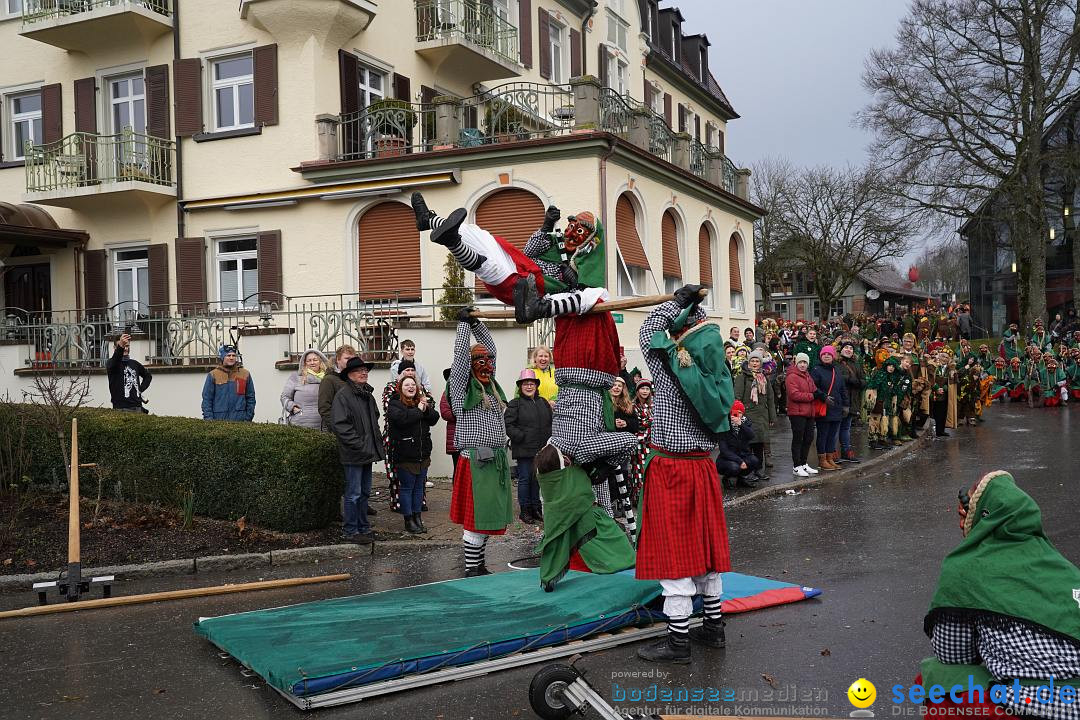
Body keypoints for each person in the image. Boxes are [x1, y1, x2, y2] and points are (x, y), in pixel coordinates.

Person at [921, 471, 1080, 720]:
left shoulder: (965, 568)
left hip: (1049, 705)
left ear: (984, 518)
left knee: (938, 676)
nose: (962, 523)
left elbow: (951, 653)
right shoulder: (1058, 564)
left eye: (966, 515)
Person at [635, 285, 733, 664]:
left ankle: (678, 641)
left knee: (674, 555)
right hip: (704, 468)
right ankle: (713, 627)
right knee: (705, 551)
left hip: (673, 469)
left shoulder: (672, 367)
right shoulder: (720, 374)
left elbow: (648, 331)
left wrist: (674, 302)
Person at [447, 309, 513, 577]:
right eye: (479, 360)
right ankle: (471, 568)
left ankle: (479, 565)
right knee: (477, 518)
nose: (486, 364)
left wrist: (477, 323)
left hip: (495, 459)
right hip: (476, 461)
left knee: (489, 516)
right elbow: (461, 359)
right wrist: (463, 325)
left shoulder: (492, 386)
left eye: (488, 360)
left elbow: (492, 349)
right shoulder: (461, 386)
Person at [329, 356, 384, 544]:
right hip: (354, 454)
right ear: (350, 375)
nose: (364, 373)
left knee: (365, 493)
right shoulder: (343, 395)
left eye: (365, 370)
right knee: (353, 494)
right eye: (360, 371)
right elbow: (340, 425)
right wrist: (360, 445)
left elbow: (374, 420)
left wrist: (372, 445)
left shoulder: (367, 395)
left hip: (366, 453)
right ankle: (351, 530)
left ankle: (363, 527)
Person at [387, 375, 440, 534]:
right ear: (400, 389)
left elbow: (434, 418)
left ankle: (418, 517)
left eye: (413, 385)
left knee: (419, 488)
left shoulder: (420, 403)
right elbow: (402, 419)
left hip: (422, 454)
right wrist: (418, 410)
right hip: (405, 454)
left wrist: (426, 408)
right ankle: (408, 519)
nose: (410, 387)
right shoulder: (395, 404)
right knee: (407, 488)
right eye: (406, 385)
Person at [504, 369, 553, 524]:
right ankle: (525, 510)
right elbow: (509, 424)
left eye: (532, 383)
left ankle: (536, 508)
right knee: (525, 479)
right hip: (524, 449)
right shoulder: (515, 404)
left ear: (536, 386)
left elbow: (551, 422)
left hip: (542, 449)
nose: (529, 386)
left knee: (537, 479)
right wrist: (521, 437)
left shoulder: (543, 402)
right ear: (521, 387)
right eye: (526, 384)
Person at [731, 350, 775, 481]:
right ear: (748, 362)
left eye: (757, 361)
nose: (755, 363)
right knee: (747, 445)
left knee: (759, 445)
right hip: (747, 416)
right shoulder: (742, 377)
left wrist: (772, 416)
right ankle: (747, 471)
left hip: (762, 416)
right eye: (752, 361)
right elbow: (737, 398)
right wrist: (737, 416)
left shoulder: (764, 377)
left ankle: (758, 470)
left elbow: (770, 399)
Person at [811, 346, 847, 472]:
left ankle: (829, 458)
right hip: (824, 407)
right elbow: (813, 387)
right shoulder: (816, 370)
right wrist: (823, 397)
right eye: (824, 354)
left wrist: (846, 405)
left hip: (836, 407)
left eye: (829, 354)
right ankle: (822, 460)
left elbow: (842, 388)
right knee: (823, 435)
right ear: (820, 356)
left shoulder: (836, 370)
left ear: (833, 356)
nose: (826, 356)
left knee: (832, 436)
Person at [785, 352, 818, 478]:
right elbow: (794, 394)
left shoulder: (807, 375)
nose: (803, 365)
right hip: (797, 413)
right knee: (798, 439)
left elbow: (814, 389)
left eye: (805, 362)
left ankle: (804, 463)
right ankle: (796, 466)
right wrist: (812, 396)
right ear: (796, 363)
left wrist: (822, 395)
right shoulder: (791, 376)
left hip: (809, 412)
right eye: (801, 362)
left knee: (808, 438)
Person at [201, 345, 255, 421]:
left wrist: (248, 418)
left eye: (233, 355)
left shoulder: (245, 374)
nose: (231, 358)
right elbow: (207, 399)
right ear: (222, 357)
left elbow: (250, 398)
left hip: (240, 422)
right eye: (228, 355)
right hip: (219, 422)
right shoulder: (213, 375)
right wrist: (209, 420)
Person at [280, 349, 329, 430]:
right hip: (299, 425)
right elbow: (284, 397)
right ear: (305, 363)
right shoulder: (296, 377)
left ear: (320, 361)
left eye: (315, 360)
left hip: (323, 426)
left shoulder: (328, 378)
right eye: (309, 361)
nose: (312, 363)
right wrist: (293, 408)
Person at [715, 401, 761, 489]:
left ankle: (741, 479)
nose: (738, 415)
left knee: (754, 461)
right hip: (726, 459)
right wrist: (740, 461)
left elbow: (752, 435)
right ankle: (726, 479)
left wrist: (741, 425)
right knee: (734, 467)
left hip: (743, 455)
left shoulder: (746, 422)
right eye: (735, 412)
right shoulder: (725, 425)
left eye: (740, 413)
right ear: (730, 412)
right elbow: (724, 451)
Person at [106, 333, 151, 413]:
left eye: (127, 346)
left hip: (138, 407)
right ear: (115, 348)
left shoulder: (134, 364)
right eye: (123, 346)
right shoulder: (111, 363)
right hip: (121, 409)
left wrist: (140, 389)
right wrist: (121, 346)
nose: (125, 349)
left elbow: (148, 376)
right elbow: (116, 360)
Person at [835, 341, 863, 462]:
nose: (848, 350)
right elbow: (837, 378)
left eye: (851, 348)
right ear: (841, 350)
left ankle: (846, 451)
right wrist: (850, 379)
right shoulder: (836, 363)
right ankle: (832, 452)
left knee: (846, 427)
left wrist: (859, 382)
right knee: (836, 427)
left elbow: (864, 379)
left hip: (853, 400)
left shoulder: (856, 364)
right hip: (840, 400)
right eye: (846, 347)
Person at [318, 345, 357, 430]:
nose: (351, 361)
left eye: (352, 359)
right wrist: (339, 428)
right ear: (338, 360)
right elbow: (324, 408)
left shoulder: (354, 378)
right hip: (337, 431)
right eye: (347, 358)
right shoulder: (329, 379)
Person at [439, 368, 459, 484]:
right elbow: (445, 412)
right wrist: (462, 415)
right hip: (455, 437)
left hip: (469, 438)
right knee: (457, 468)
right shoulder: (447, 393)